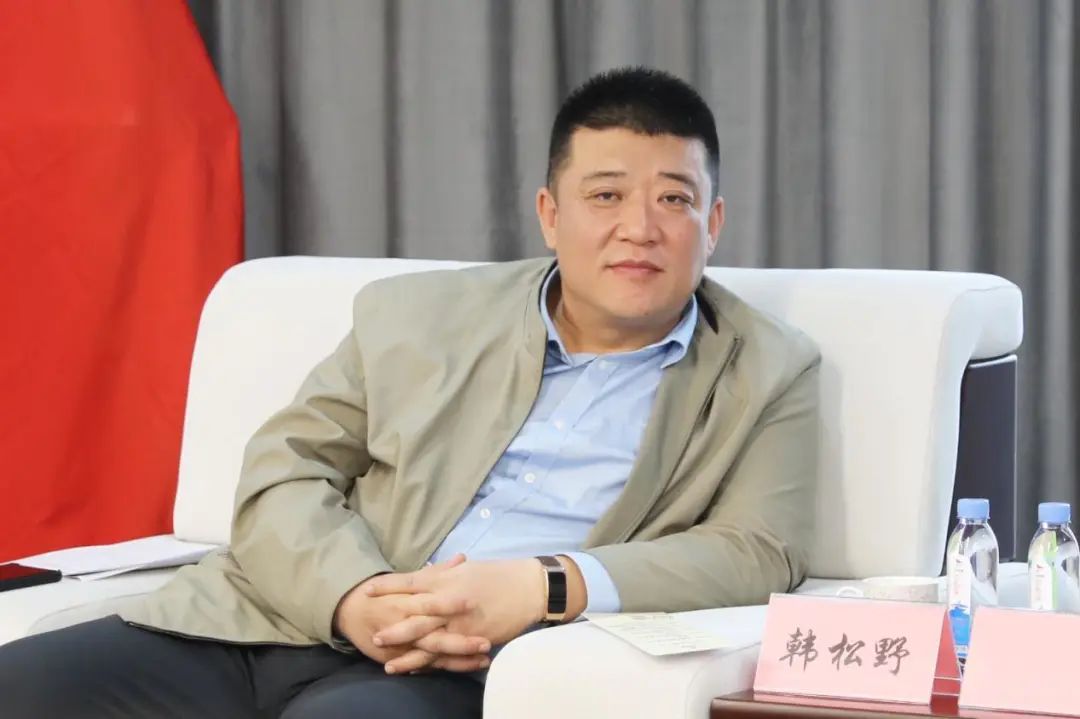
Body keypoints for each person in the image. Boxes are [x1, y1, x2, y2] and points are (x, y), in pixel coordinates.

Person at [0, 66, 820, 718]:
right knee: (22, 683)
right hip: (274, 618)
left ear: (713, 224)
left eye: (674, 199)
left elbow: (757, 548)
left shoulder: (767, 368)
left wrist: (543, 584)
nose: (639, 227)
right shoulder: (416, 313)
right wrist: (352, 594)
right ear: (549, 214)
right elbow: (287, 467)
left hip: (467, 662)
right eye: (605, 195)